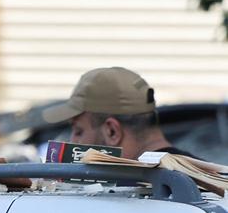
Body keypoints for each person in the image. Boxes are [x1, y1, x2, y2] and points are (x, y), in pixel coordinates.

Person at [43, 66, 192, 159]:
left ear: (112, 132)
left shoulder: (135, 194)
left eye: (78, 131)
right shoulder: (203, 177)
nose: (72, 142)